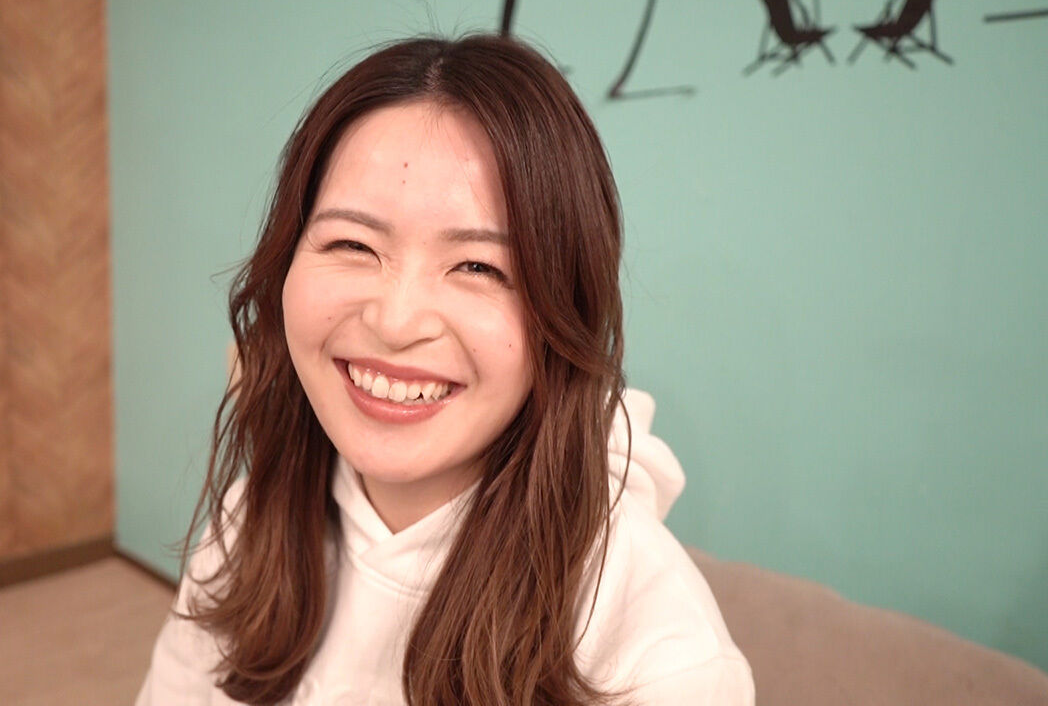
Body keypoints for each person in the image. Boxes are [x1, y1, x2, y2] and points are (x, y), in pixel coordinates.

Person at [136, 34, 753, 705]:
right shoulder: (251, 520)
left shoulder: (664, 659)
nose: (395, 322)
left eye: (479, 266)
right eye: (352, 244)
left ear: (562, 313)